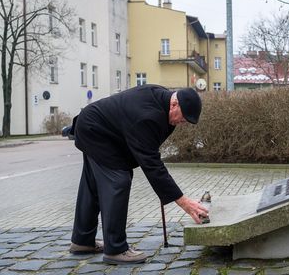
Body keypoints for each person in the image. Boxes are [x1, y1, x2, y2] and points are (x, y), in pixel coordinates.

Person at [68, 85, 209, 265]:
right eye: (183, 118)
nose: (183, 123)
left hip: (94, 126)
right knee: (118, 181)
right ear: (174, 104)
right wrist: (183, 201)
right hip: (95, 131)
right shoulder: (148, 116)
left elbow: (148, 150)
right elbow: (151, 163)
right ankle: (116, 249)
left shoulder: (163, 101)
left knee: (93, 185)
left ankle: (82, 240)